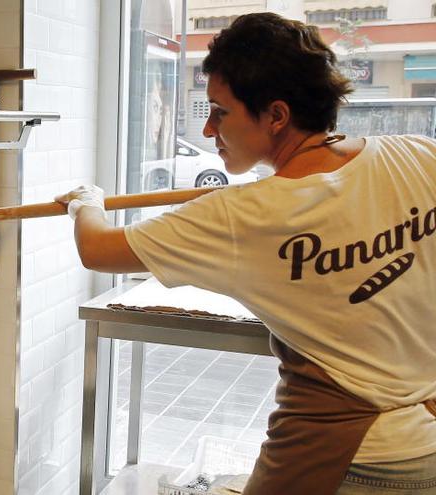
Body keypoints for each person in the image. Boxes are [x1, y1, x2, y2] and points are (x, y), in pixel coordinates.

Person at [57, 12, 436, 495]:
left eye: (219, 111)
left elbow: (97, 248)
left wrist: (86, 201)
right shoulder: (419, 155)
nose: (210, 129)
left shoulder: (248, 214)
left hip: (339, 456)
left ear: (276, 116)